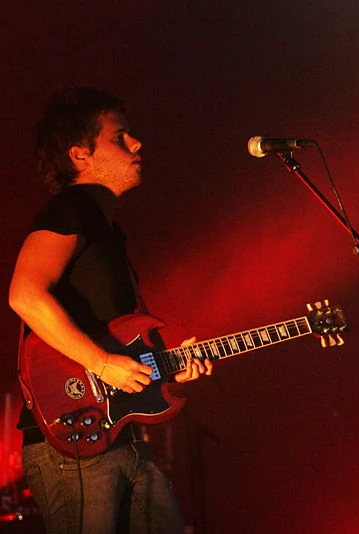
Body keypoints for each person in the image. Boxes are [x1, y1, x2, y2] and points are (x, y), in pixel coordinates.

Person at [8, 86, 212, 533]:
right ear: (80, 155)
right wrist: (102, 364)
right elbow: (25, 294)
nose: (137, 144)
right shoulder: (71, 209)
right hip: (74, 440)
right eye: (119, 137)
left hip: (122, 435)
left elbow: (120, 339)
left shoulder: (107, 229)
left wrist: (167, 367)